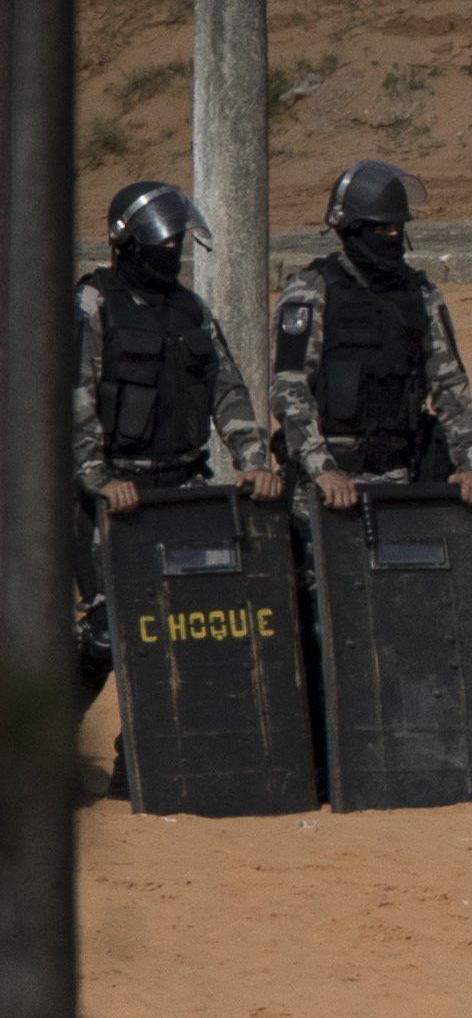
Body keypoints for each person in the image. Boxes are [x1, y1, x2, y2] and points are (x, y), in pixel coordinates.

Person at [73, 182, 280, 708]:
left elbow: (226, 388)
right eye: (160, 243)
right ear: (126, 242)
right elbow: (72, 401)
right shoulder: (92, 303)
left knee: (197, 620)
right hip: (112, 491)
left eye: (177, 243)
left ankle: (144, 757)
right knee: (109, 630)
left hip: (184, 486)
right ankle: (44, 758)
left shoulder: (192, 310)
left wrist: (253, 461)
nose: (171, 253)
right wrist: (100, 479)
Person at [270, 162, 472, 511]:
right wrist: (323, 470)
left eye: (397, 228)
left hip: (403, 479)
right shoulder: (311, 291)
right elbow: (289, 388)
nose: (392, 237)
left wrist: (471, 466)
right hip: (327, 486)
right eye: (382, 228)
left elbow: (450, 386)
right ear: (352, 228)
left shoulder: (420, 293)